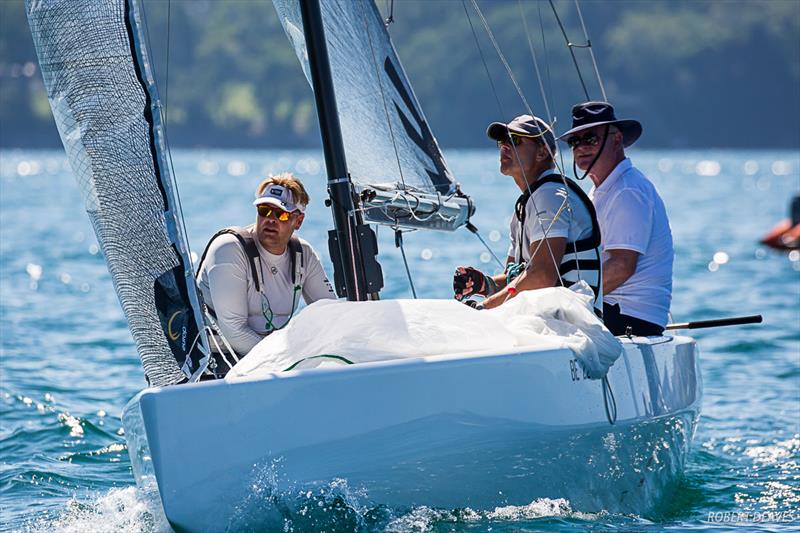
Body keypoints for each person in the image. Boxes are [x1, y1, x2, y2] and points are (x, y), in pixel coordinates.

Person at [453, 115, 603, 313]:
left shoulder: (550, 195)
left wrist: (484, 308)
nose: (504, 147)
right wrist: (485, 284)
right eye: (502, 141)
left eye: (514, 140)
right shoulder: (525, 207)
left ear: (541, 152)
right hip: (546, 321)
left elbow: (542, 275)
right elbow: (515, 280)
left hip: (573, 325)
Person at [197, 173, 336, 375]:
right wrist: (286, 359)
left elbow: (330, 314)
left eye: (281, 214)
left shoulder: (303, 254)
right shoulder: (228, 249)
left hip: (267, 358)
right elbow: (234, 331)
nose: (271, 219)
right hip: (215, 358)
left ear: (298, 221)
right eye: (264, 210)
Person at [560, 101, 673, 336]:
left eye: (590, 138)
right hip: (612, 310)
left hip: (630, 316)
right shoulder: (600, 191)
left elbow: (622, 266)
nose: (581, 147)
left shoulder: (627, 190)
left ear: (617, 140)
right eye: (574, 141)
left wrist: (569, 303)